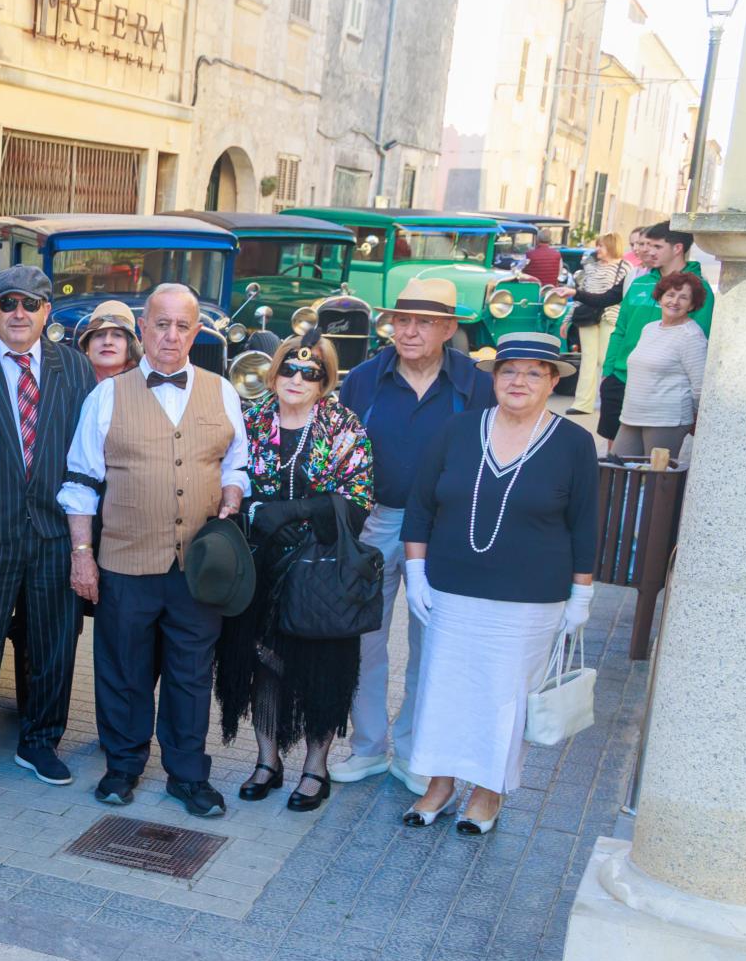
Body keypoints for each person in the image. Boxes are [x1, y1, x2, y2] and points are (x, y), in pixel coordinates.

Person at [60, 283, 248, 819]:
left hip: (199, 568)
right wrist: (82, 554)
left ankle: (188, 776)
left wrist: (233, 492)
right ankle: (122, 767)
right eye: (160, 324)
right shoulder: (108, 395)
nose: (170, 335)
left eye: (181, 326)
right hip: (125, 561)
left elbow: (235, 463)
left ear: (195, 332)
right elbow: (78, 483)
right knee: (123, 669)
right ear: (143, 329)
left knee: (192, 673)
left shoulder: (222, 391)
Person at [401, 334, 598, 836]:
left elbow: (585, 523)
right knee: (444, 690)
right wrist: (416, 571)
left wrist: (582, 594)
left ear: (553, 381)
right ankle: (440, 786)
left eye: (535, 372)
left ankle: (488, 793)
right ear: (493, 377)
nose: (519, 381)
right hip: (451, 590)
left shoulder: (574, 443)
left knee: (504, 698)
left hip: (531, 600)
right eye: (509, 370)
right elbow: (422, 505)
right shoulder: (458, 430)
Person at [329, 279, 495, 793]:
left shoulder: (476, 383)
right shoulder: (364, 378)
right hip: (376, 520)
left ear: (449, 328)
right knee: (363, 641)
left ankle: (416, 750)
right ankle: (368, 748)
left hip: (446, 530)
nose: (410, 330)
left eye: (424, 322)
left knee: (434, 647)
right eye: (402, 320)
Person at [213, 332, 375, 812]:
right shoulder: (252, 418)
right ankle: (267, 762)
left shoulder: (343, 424)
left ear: (325, 380)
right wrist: (256, 510)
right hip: (260, 564)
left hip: (321, 567)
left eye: (311, 372)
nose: (297, 379)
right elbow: (228, 475)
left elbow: (360, 498)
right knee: (263, 665)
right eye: (289, 368)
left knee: (320, 670)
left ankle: (315, 768)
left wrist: (296, 512)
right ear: (275, 371)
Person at [0, 265, 94, 789]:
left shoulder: (75, 369)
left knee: (54, 642)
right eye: (7, 302)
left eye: (30, 304)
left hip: (55, 530)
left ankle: (41, 740)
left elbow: (88, 450)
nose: (18, 313)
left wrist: (84, 541)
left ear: (46, 312)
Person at [599, 224, 714, 442]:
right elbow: (620, 330)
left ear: (677, 248)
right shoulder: (639, 281)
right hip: (621, 378)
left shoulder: (699, 289)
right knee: (615, 457)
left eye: (656, 246)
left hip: (662, 389)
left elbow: (699, 344)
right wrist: (608, 372)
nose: (646, 251)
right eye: (646, 245)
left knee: (652, 466)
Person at [610, 271, 709, 461]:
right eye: (670, 295)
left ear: (693, 304)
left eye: (683, 297)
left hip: (667, 419)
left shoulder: (691, 336)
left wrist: (696, 420)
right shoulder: (650, 328)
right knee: (618, 470)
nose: (675, 301)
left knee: (657, 481)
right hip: (632, 414)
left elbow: (699, 386)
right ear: (660, 297)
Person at [565, 231, 629, 416]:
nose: (597, 249)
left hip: (611, 317)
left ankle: (608, 400)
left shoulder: (625, 267)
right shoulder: (590, 268)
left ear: (611, 246)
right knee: (588, 359)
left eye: (601, 245)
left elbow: (622, 296)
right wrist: (568, 319)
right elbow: (580, 294)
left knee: (605, 358)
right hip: (587, 317)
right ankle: (582, 403)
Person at [77, 299, 142, 381]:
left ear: (130, 345)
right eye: (99, 335)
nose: (107, 342)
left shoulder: (146, 383)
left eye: (117, 335)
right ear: (87, 345)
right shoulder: (71, 380)